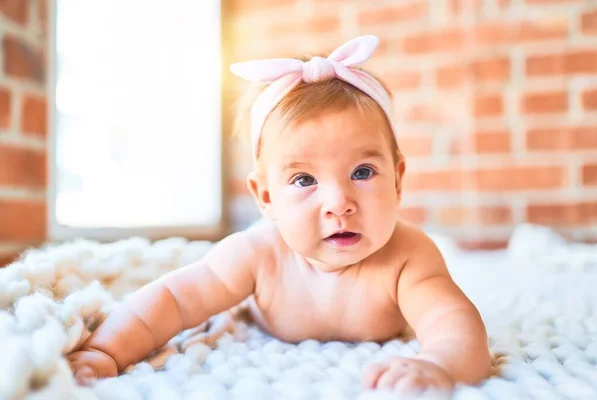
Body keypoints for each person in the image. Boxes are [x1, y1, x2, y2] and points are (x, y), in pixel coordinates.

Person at [68, 35, 491, 395]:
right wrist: (108, 350)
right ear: (265, 197)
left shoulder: (408, 256)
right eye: (305, 180)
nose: (338, 202)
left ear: (397, 180)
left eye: (362, 172)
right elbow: (173, 300)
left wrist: (438, 365)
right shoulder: (257, 254)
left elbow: (452, 323)